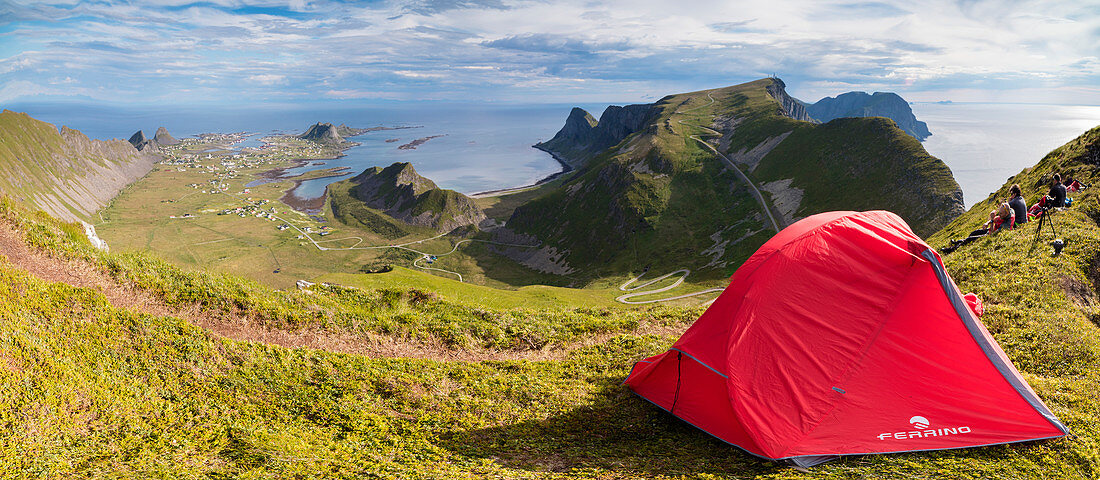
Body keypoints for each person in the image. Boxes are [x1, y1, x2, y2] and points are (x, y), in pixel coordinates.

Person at [944, 199, 1014, 253]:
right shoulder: (1005, 214)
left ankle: (951, 249)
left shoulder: (1007, 224)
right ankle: (957, 242)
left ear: (1006, 213)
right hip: (990, 230)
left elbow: (992, 234)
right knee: (974, 233)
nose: (1000, 215)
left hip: (990, 234)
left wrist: (992, 220)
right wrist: (987, 223)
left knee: (969, 239)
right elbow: (997, 219)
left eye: (1001, 213)